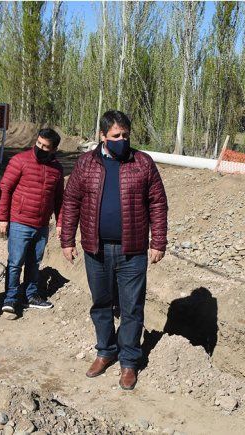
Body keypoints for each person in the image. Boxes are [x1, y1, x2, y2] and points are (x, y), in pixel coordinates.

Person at [61, 110, 168, 390]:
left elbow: (157, 203)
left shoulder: (142, 163)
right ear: (102, 136)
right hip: (95, 250)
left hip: (131, 250)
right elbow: (71, 201)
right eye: (116, 136)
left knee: (132, 307)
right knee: (101, 304)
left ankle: (129, 361)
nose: (122, 140)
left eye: (125, 135)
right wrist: (67, 240)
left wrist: (158, 241)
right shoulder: (87, 164)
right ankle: (106, 351)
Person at [0, 128, 64, 316]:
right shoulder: (20, 161)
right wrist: (2, 218)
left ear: (54, 149)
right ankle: (10, 298)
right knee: (16, 262)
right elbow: (5, 188)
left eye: (46, 146)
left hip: (42, 225)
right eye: (39, 144)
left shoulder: (57, 169)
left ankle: (31, 295)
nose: (40, 148)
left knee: (35, 262)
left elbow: (59, 199)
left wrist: (60, 223)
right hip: (20, 221)